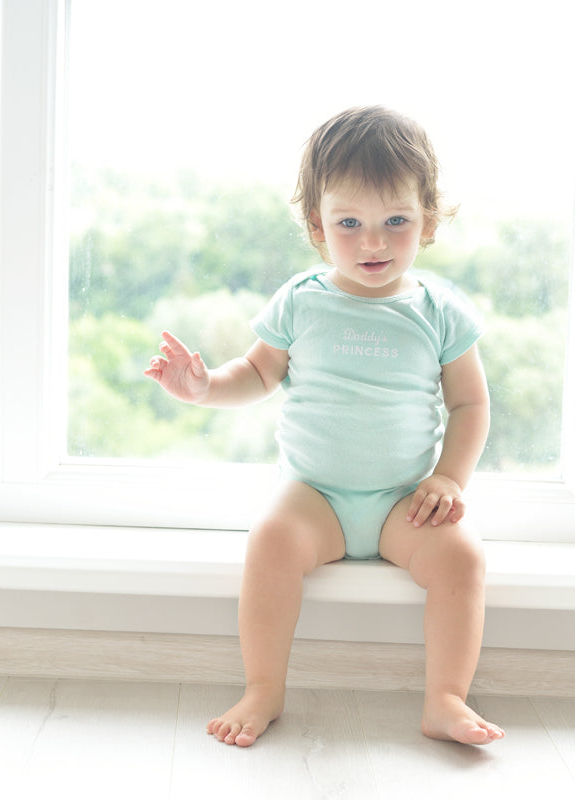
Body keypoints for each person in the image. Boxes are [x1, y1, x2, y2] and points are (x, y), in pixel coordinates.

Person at [144, 106, 503, 747]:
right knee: (271, 543)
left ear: (428, 219)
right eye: (350, 223)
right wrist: (202, 388)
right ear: (318, 225)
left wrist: (450, 477)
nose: (374, 242)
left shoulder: (439, 310)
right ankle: (264, 688)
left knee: (463, 559)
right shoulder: (302, 298)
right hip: (316, 496)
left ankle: (445, 698)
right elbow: (256, 374)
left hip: (404, 501)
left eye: (397, 221)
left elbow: (471, 406)